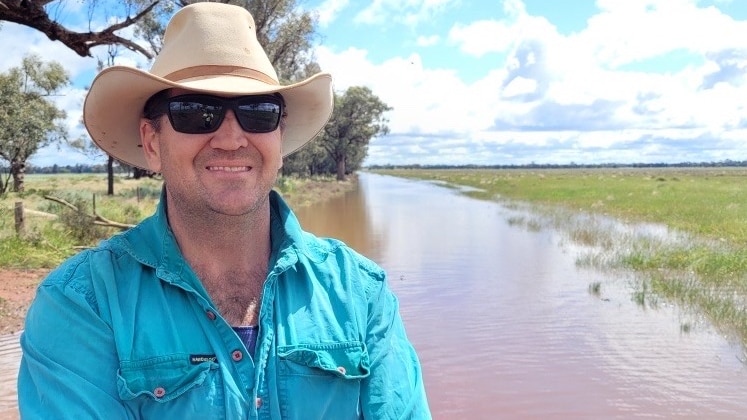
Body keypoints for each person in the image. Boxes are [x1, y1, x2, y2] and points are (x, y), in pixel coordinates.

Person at [17, 3, 430, 419]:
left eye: (258, 113)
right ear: (152, 141)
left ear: (280, 140)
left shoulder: (359, 292)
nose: (232, 139)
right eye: (197, 113)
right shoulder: (83, 304)